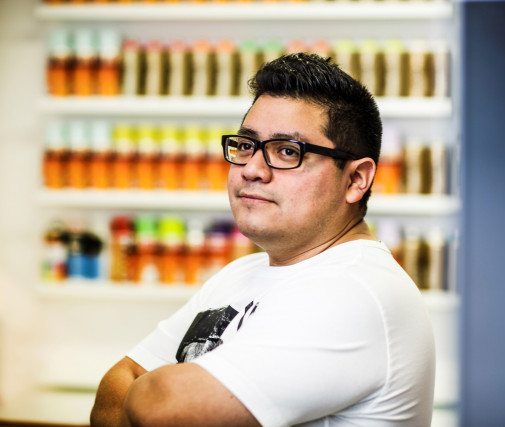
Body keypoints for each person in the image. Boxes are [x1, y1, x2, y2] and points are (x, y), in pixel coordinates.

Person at [90, 53, 435, 427]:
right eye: (246, 145)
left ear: (355, 180)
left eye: (287, 151)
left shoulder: (357, 290)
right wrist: (143, 395)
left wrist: (151, 388)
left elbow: (162, 407)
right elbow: (110, 396)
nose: (252, 169)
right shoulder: (240, 274)